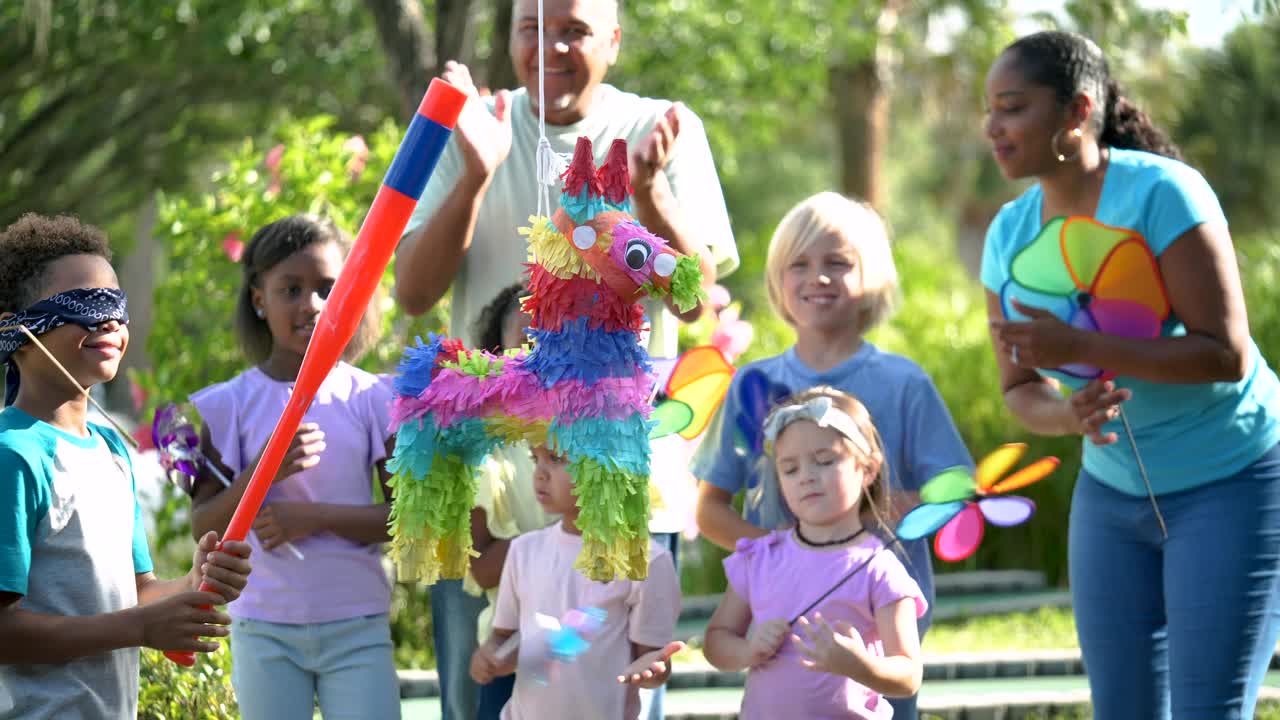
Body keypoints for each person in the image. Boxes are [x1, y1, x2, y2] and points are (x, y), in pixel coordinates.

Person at [395, 2, 739, 715]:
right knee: (482, 695)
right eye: (532, 27)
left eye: (575, 29)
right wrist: (475, 172)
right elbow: (412, 292)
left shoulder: (660, 127)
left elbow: (695, 297)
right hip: (490, 492)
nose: (550, 46)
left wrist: (649, 195)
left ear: (613, 39)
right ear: (512, 36)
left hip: (618, 492)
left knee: (609, 699)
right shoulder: (477, 123)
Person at [979, 30, 1280, 719]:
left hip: (1233, 480)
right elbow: (1021, 390)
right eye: (989, 110)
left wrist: (1084, 343)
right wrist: (1069, 416)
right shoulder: (1008, 235)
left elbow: (1224, 352)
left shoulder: (1163, 195)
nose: (993, 127)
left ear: (1078, 111)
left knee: (1209, 709)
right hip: (1112, 500)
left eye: (1013, 107)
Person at [692, 192, 971, 719]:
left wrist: (902, 506)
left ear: (871, 278)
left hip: (878, 646)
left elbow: (958, 490)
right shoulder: (754, 384)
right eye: (799, 265)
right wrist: (785, 557)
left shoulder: (904, 383)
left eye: (837, 263)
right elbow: (709, 511)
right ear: (778, 282)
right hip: (782, 653)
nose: (817, 277)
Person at [0, 213, 253, 720]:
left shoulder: (113, 452)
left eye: (117, 305)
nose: (110, 321)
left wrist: (192, 583)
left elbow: (138, 593)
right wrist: (141, 629)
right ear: (17, 329)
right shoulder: (13, 454)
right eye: (86, 306)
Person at [188, 215, 400, 719]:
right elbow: (204, 525)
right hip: (263, 628)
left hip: (358, 624)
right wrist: (265, 468)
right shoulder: (228, 405)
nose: (312, 304)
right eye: (291, 289)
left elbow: (405, 518)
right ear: (259, 299)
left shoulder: (372, 397)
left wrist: (315, 518)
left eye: (329, 288)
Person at [703, 386, 925, 719]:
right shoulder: (761, 557)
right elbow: (716, 641)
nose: (806, 476)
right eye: (790, 469)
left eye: (824, 461)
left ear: (868, 469)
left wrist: (860, 665)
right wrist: (748, 650)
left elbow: (908, 675)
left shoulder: (879, 568)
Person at [468, 443, 684, 720]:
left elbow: (651, 660)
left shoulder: (646, 561)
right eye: (536, 459)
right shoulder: (523, 551)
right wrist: (489, 657)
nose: (540, 473)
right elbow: (503, 637)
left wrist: (652, 671)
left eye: (556, 459)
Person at [466, 282, 557, 719]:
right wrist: (559, 535)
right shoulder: (486, 456)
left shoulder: (599, 446)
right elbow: (481, 569)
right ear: (497, 357)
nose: (542, 353)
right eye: (527, 340)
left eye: (559, 338)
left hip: (588, 648)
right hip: (510, 656)